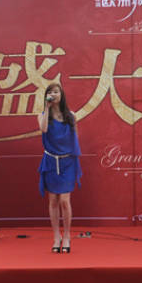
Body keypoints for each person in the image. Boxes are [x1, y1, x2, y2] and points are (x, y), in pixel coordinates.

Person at [37, 83, 81, 253]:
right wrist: (46, 108)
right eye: (50, 92)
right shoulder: (42, 116)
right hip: (50, 161)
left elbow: (75, 137)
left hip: (67, 162)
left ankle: (67, 235)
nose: (53, 94)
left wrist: (72, 157)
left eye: (56, 92)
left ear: (61, 95)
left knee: (64, 200)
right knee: (53, 200)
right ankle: (57, 236)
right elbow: (43, 129)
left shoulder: (71, 116)